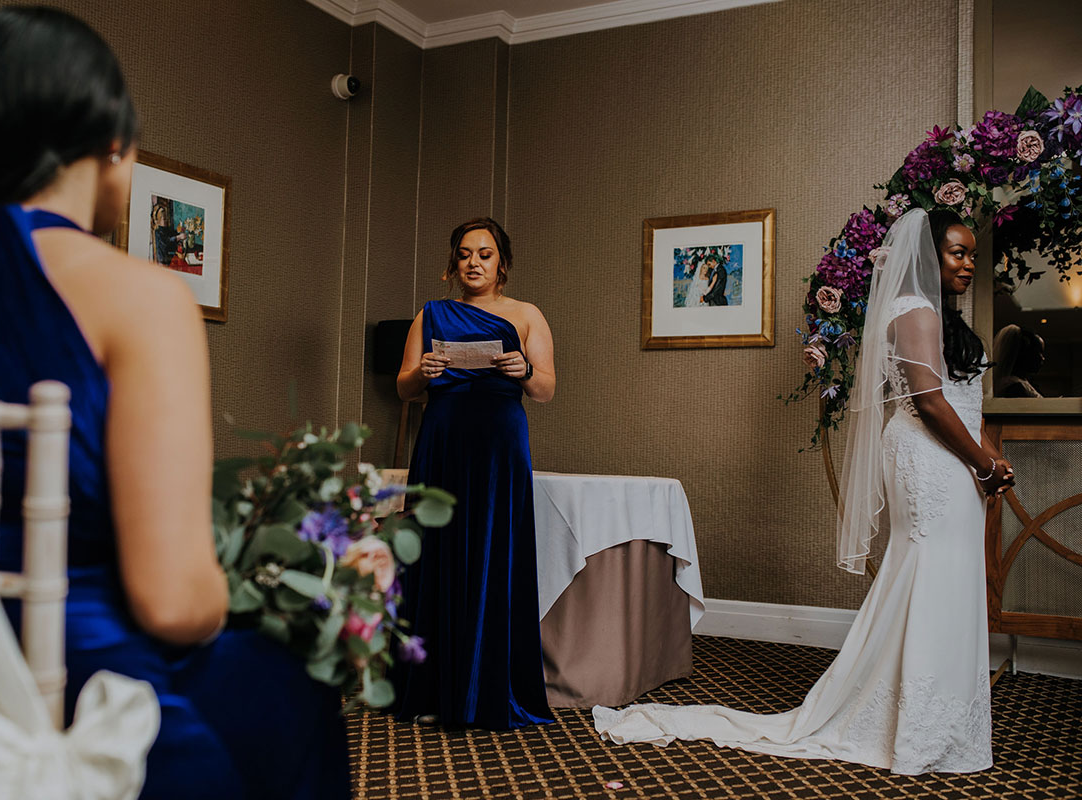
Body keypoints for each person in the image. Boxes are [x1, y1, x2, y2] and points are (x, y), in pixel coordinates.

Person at [0, 8, 349, 799]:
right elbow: (172, 603)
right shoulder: (138, 296)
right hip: (81, 699)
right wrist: (267, 586)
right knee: (290, 679)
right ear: (110, 146)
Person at [594, 207, 1014, 775]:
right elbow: (930, 402)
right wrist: (983, 467)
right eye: (956, 253)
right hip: (932, 459)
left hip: (957, 457)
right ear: (926, 257)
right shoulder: (914, 310)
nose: (968, 263)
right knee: (931, 570)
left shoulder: (946, 320)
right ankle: (918, 724)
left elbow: (966, 399)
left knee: (947, 572)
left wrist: (990, 456)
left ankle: (938, 715)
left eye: (971, 254)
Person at [390, 217, 556, 730]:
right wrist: (423, 373)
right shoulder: (431, 315)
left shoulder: (527, 315)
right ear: (453, 263)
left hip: (497, 446)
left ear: (501, 261)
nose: (473, 263)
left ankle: (488, 687)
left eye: (484, 254)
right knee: (437, 552)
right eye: (464, 254)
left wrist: (523, 370)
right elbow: (403, 388)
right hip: (442, 442)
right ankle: (431, 687)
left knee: (491, 553)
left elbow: (547, 389)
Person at [992, 323, 1045, 398]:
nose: (1042, 358)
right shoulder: (1015, 387)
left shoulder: (1020, 383)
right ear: (1026, 353)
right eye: (1039, 352)